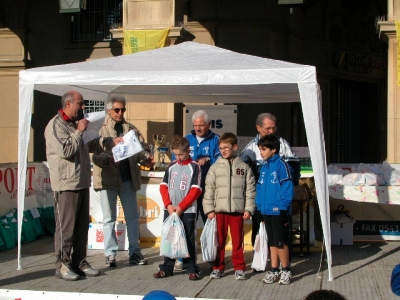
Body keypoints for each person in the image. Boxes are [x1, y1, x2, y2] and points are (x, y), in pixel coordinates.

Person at [45, 91, 122, 281]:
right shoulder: (55, 125)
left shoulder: (76, 123)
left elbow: (91, 144)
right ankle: (62, 265)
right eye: (80, 104)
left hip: (81, 181)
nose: (83, 107)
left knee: (80, 227)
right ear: (68, 104)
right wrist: (79, 131)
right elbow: (66, 150)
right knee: (66, 228)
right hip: (66, 184)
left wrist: (112, 142)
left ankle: (79, 262)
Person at [92, 95, 152, 267]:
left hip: (127, 178)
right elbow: (93, 156)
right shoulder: (100, 130)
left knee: (132, 218)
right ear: (109, 110)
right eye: (117, 109)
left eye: (123, 109)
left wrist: (146, 158)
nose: (120, 113)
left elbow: (141, 149)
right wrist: (106, 159)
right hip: (108, 179)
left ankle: (135, 252)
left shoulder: (131, 129)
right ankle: (110, 253)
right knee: (109, 218)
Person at [240, 112, 300, 253]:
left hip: (278, 199)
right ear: (258, 127)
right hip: (261, 198)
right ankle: (260, 261)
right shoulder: (250, 148)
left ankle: (284, 264)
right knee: (259, 228)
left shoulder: (282, 144)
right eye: (268, 128)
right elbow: (242, 171)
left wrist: (292, 184)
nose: (271, 131)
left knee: (282, 231)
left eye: (274, 128)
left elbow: (295, 165)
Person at [203, 132, 256, 280]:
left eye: (226, 147)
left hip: (237, 211)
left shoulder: (244, 168)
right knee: (219, 240)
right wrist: (209, 210)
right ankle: (218, 267)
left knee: (238, 240)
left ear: (235, 147)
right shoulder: (215, 167)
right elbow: (209, 190)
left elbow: (250, 190)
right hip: (219, 211)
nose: (223, 150)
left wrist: (248, 209)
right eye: (221, 148)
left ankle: (239, 268)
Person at [173, 109, 220, 271]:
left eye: (201, 125)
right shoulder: (187, 139)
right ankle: (182, 258)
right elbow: (176, 160)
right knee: (186, 226)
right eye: (195, 125)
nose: (198, 128)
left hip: (207, 190)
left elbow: (222, 161)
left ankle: (212, 256)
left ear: (208, 124)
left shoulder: (215, 140)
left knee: (210, 223)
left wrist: (209, 159)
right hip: (188, 191)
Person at [153, 136, 202, 280]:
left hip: (187, 211)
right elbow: (163, 186)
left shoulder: (194, 166)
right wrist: (169, 205)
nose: (179, 157)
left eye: (181, 154)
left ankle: (191, 268)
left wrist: (180, 207)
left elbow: (196, 189)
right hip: (170, 210)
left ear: (188, 151)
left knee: (187, 238)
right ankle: (167, 267)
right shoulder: (171, 166)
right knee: (170, 238)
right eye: (176, 154)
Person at [255, 134, 294, 285]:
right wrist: (259, 208)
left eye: (264, 149)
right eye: (260, 149)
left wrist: (284, 209)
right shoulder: (264, 167)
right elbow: (260, 188)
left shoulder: (282, 166)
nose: (261, 152)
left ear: (274, 149)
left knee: (280, 241)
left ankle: (286, 269)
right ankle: (274, 269)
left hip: (279, 211)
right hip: (267, 210)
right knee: (271, 242)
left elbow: (287, 188)